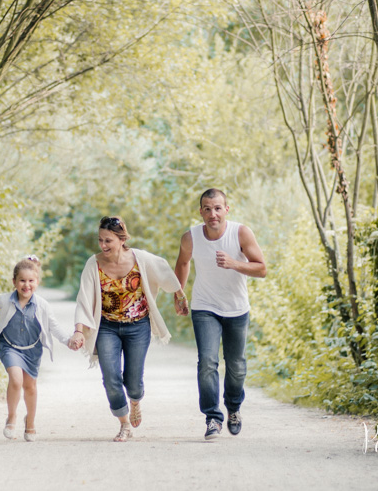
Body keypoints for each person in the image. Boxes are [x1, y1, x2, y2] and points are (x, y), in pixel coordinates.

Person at [69, 216, 182, 442]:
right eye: (100, 240)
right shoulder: (94, 264)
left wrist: (179, 294)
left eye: (108, 240)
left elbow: (165, 271)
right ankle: (124, 424)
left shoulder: (140, 258)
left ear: (122, 239)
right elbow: (83, 299)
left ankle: (135, 401)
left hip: (138, 327)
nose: (103, 245)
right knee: (110, 377)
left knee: (133, 381)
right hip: (107, 327)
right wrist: (79, 330)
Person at [174, 188, 266, 440]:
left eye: (217, 208)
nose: (212, 213)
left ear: (226, 209)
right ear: (201, 212)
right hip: (204, 307)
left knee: (236, 366)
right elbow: (183, 263)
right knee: (207, 362)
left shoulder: (241, 233)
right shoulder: (190, 237)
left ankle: (234, 407)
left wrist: (234, 263)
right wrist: (179, 293)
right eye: (207, 208)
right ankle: (213, 418)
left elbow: (262, 269)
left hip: (236, 308)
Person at [0, 255, 72, 442]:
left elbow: (53, 326)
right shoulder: (5, 300)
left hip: (32, 349)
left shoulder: (42, 305)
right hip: (9, 347)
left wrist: (68, 340)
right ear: (14, 282)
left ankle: (30, 421)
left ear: (37, 282)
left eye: (31, 281)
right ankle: (11, 416)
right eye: (22, 280)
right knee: (15, 379)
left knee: (30, 386)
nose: (26, 285)